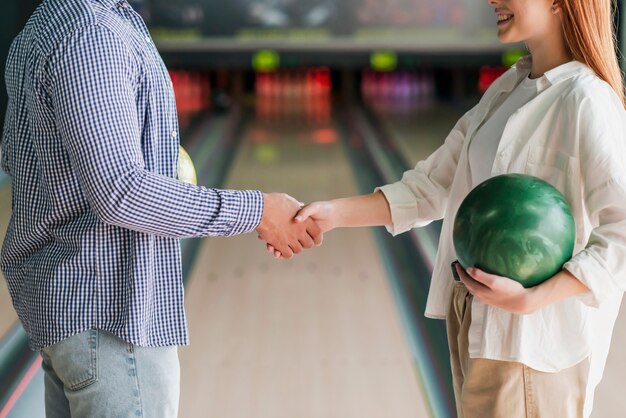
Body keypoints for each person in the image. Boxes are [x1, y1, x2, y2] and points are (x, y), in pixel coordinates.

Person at [284, 0, 626, 416]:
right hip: (476, 323)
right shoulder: (507, 89)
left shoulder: (586, 99)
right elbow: (431, 186)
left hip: (531, 348)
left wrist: (533, 299)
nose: (492, 0)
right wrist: (331, 214)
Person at [0, 0, 322, 417]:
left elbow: (18, 161)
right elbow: (121, 192)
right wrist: (259, 210)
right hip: (114, 320)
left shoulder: (46, 23)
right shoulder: (91, 36)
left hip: (74, 317)